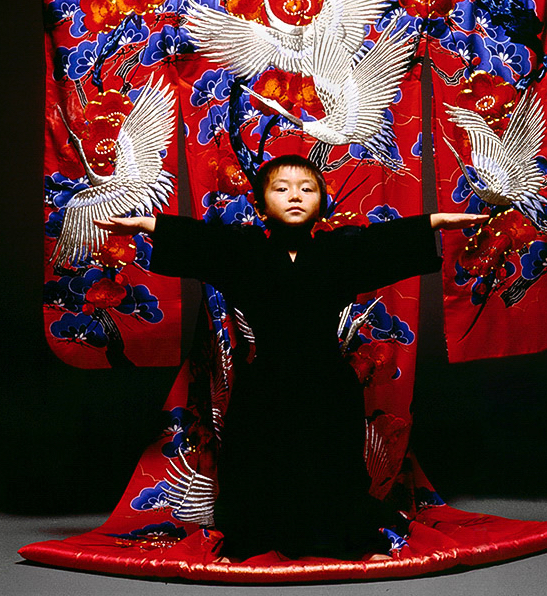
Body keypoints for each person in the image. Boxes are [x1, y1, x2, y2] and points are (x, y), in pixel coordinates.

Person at [0, 0, 547, 579]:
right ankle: (332, 493)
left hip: (244, 181)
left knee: (244, 312)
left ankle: (250, 495)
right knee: (348, 309)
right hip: (352, 178)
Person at [94, 154, 487, 559]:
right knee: (253, 464)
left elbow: (382, 241)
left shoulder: (340, 251)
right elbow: (202, 239)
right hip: (264, 382)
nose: (295, 196)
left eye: (307, 189)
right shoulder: (244, 251)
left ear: (322, 204)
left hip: (328, 382)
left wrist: (435, 221)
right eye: (281, 189)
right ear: (261, 206)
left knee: (335, 465)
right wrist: (147, 225)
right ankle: (246, 544)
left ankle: (353, 542)